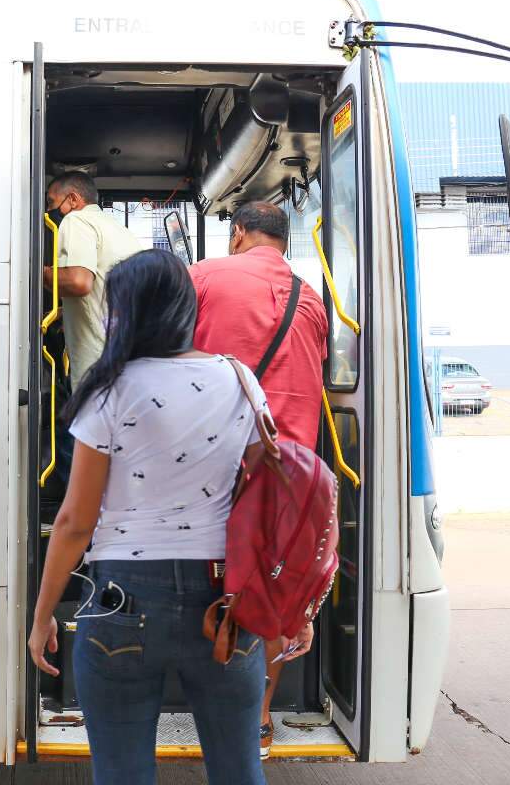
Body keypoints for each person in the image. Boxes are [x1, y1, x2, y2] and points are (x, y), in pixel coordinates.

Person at [27, 248, 277, 785]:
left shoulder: (111, 389)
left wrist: (43, 612)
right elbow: (265, 497)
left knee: (121, 774)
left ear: (127, 312)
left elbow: (75, 520)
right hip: (225, 599)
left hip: (123, 599)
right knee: (239, 771)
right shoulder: (239, 380)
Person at [188, 200, 328, 759]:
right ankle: (259, 721)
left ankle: (203, 706)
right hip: (289, 474)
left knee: (202, 583)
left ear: (239, 232)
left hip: (214, 462)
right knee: (269, 588)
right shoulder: (313, 300)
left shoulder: (203, 276)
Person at [44, 171, 144, 389]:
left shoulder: (76, 220)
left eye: (52, 202)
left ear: (73, 199)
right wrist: (66, 312)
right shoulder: (117, 228)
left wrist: (42, 273)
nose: (49, 210)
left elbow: (79, 282)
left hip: (98, 361)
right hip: (127, 355)